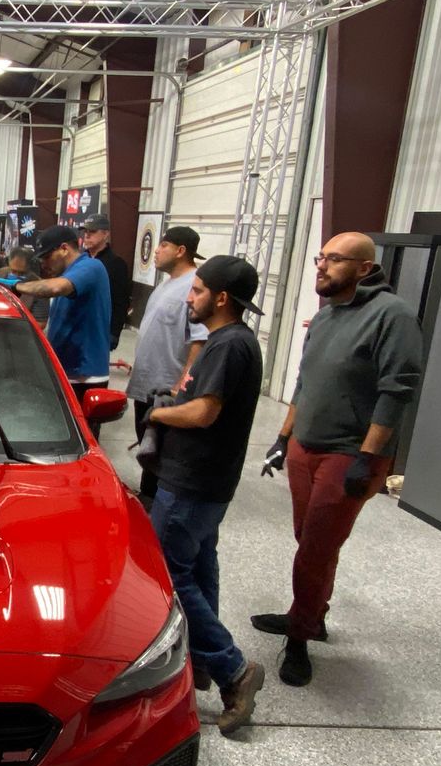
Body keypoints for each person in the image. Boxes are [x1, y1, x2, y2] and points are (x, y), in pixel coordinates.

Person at [253, 232, 425, 687]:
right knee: (308, 539)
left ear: (365, 268)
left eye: (335, 260)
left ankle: (299, 638)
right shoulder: (328, 315)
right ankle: (312, 614)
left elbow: (397, 391)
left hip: (350, 453)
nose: (322, 267)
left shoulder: (393, 316)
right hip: (305, 446)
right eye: (320, 258)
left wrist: (367, 459)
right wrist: (282, 436)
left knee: (314, 549)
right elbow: (306, 383)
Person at [144, 255, 267, 734]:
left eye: (196, 291)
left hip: (192, 483)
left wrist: (158, 414)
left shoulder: (228, 346)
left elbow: (202, 414)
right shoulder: (231, 342)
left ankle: (234, 669)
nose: (189, 298)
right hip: (206, 483)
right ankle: (204, 665)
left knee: (171, 576)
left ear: (220, 298)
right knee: (198, 570)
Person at [125, 225, 206, 506]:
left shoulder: (194, 286)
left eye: (162, 246)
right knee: (148, 445)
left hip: (166, 388)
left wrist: (181, 384)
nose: (156, 251)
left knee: (163, 450)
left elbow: (199, 340)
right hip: (147, 382)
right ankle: (149, 495)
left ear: (180, 251)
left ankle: (156, 503)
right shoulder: (167, 282)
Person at [14, 224, 112, 438]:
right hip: (67, 371)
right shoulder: (71, 272)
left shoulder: (90, 268)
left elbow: (54, 288)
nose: (43, 263)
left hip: (85, 375)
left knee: (80, 441)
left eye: (47, 257)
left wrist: (15, 287)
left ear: (65, 249)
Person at [80, 215, 133, 352]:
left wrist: (114, 333)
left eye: (92, 232)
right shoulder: (80, 260)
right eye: (85, 232)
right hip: (77, 326)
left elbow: (121, 301)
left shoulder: (116, 264)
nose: (87, 236)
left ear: (105, 234)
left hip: (100, 329)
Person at [1, 246, 49, 324]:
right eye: (13, 271)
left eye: (21, 273)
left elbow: (40, 323)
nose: (16, 275)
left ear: (30, 268)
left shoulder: (40, 288)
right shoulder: (0, 274)